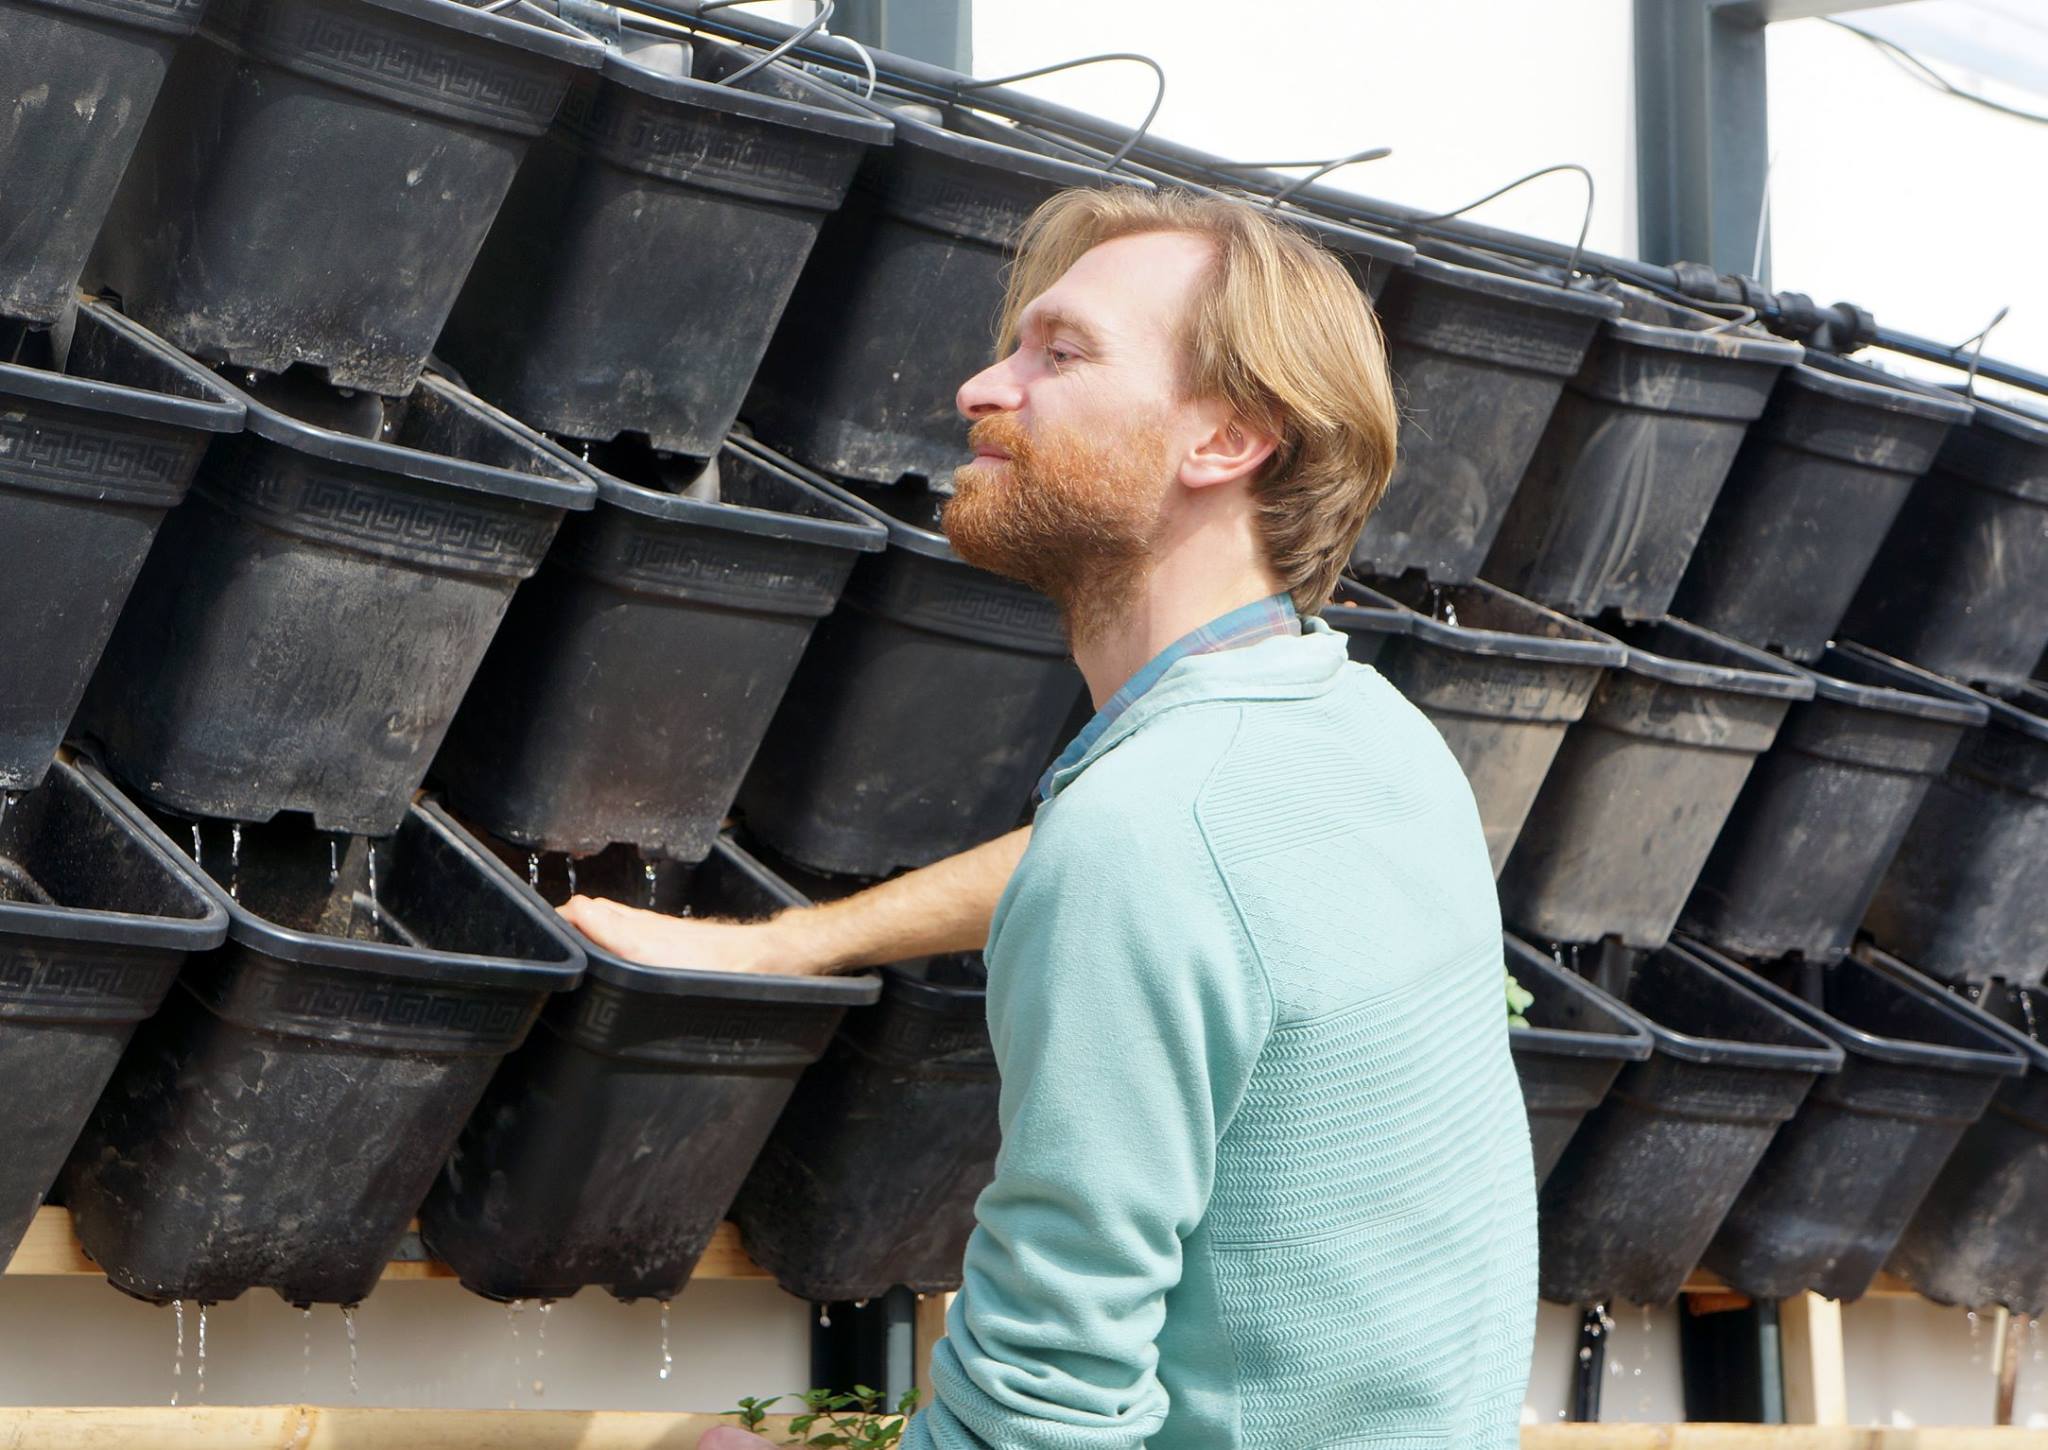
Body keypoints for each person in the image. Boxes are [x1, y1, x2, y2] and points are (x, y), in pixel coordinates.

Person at [565, 186, 1536, 1450]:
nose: (979, 386)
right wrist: (781, 943)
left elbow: (1040, 1418)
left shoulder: (1149, 837)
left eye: (1058, 354)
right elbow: (1141, 867)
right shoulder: (1361, 735)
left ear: (1226, 441)